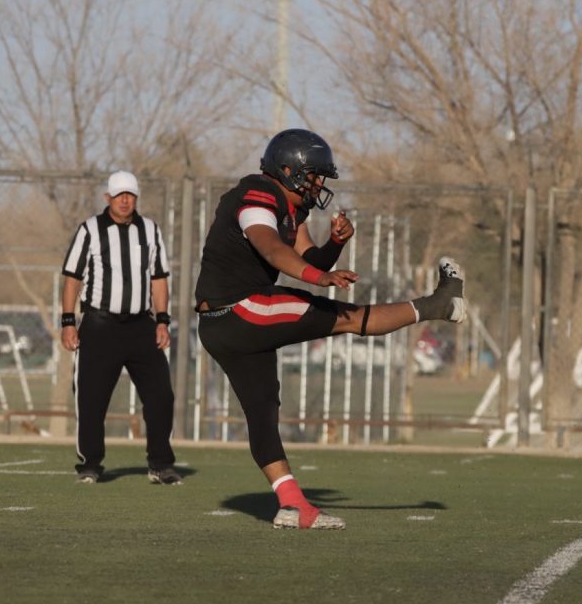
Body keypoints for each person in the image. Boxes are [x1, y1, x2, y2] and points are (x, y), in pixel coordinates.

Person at [194, 129, 467, 530]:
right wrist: (318, 278)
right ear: (288, 170)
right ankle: (439, 304)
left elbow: (309, 257)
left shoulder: (292, 209)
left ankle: (293, 507)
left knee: (263, 412)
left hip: (222, 322)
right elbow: (270, 247)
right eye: (314, 175)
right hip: (241, 308)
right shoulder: (258, 194)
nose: (319, 183)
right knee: (349, 317)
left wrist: (334, 245)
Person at [60, 170, 179, 485]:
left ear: (136, 197)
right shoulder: (90, 229)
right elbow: (72, 277)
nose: (125, 201)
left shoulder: (150, 230)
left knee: (161, 396)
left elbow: (159, 278)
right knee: (91, 398)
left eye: (130, 195)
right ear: (108, 197)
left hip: (141, 325)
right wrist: (68, 321)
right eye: (119, 195)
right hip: (99, 325)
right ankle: (90, 464)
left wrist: (163, 320)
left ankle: (160, 464)